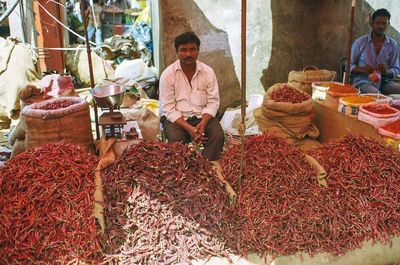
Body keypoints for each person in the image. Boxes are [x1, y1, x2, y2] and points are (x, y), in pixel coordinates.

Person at [159, 31, 224, 161]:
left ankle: (205, 167)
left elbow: (213, 103)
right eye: (183, 50)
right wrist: (190, 129)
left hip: (202, 117)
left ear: (198, 50)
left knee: (217, 136)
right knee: (176, 139)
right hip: (178, 119)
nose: (188, 54)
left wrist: (203, 124)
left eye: (192, 49)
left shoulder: (207, 72)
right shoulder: (168, 75)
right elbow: (168, 109)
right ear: (176, 51)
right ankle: (184, 171)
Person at [350, 8, 400, 95]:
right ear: (372, 23)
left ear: (388, 24)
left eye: (384, 23)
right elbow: (349, 65)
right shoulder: (360, 42)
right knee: (377, 95)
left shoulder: (393, 44)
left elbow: (396, 69)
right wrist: (362, 69)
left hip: (384, 81)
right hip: (363, 81)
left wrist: (386, 71)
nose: (381, 26)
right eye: (378, 23)